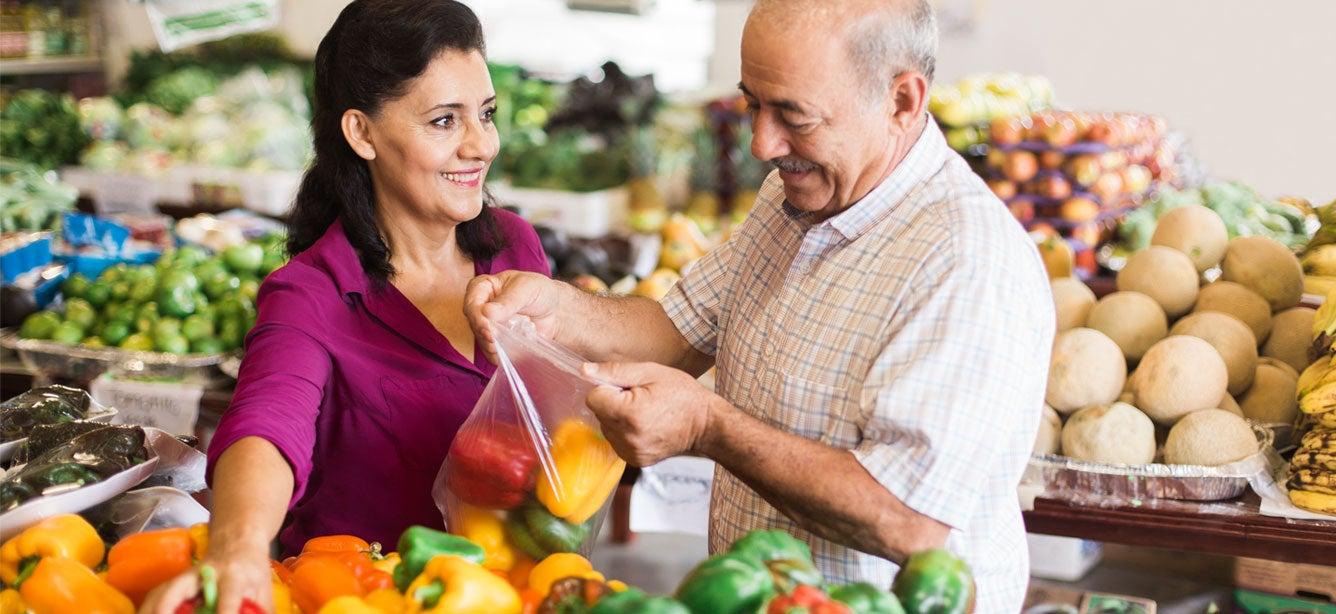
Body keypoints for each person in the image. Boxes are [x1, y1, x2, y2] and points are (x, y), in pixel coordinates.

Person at [467, 0, 1053, 610]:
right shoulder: (795, 197)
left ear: (901, 101)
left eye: (794, 117)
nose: (762, 143)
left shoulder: (966, 264)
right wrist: (557, 309)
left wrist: (707, 426)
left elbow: (910, 518)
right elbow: (677, 328)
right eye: (754, 104)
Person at [143, 1, 548, 612]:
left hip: (512, 592)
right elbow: (266, 423)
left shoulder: (515, 247)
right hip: (365, 595)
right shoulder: (313, 292)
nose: (480, 145)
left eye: (485, 115)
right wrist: (240, 545)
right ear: (361, 132)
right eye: (444, 121)